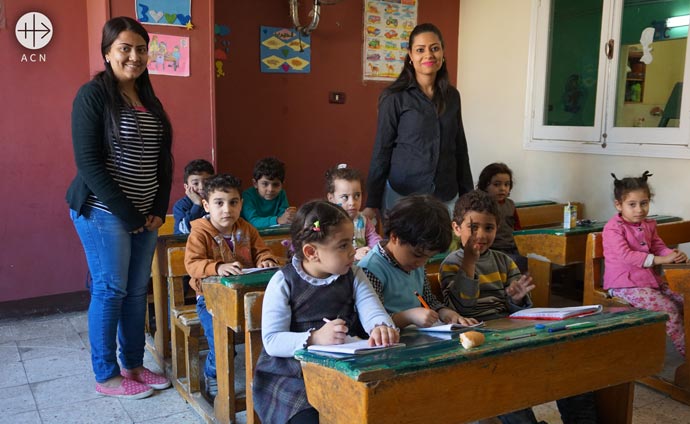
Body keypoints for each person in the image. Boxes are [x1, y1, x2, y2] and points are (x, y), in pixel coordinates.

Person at [67, 16, 173, 399]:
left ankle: (133, 364)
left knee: (135, 291)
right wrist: (129, 215)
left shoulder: (149, 98)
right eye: (125, 48)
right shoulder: (93, 96)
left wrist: (159, 208)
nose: (134, 56)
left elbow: (164, 159)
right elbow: (89, 164)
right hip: (102, 211)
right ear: (108, 53)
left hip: (145, 213)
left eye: (141, 49)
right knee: (111, 289)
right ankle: (107, 374)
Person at [442, 190, 598, 424]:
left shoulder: (504, 261)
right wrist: (470, 262)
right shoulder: (452, 263)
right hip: (479, 340)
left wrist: (515, 298)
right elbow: (464, 305)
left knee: (572, 372)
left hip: (512, 333)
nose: (481, 235)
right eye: (473, 228)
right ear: (456, 228)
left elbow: (523, 311)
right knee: (506, 387)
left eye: (489, 228)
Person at [253, 200, 399, 424]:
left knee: (382, 406)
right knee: (308, 419)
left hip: (344, 366)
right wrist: (314, 338)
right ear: (312, 252)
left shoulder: (355, 275)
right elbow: (272, 341)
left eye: (351, 242)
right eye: (342, 246)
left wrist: (380, 326)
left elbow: (372, 309)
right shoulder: (283, 281)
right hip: (292, 374)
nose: (353, 251)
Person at [363, 23, 473, 222]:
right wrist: (372, 203)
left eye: (435, 48)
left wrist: (468, 196)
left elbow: (460, 148)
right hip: (403, 196)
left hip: (446, 195)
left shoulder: (452, 96)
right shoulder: (394, 97)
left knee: (444, 252)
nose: (428, 55)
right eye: (420, 50)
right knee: (405, 252)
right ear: (411, 56)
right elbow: (382, 149)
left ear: (442, 53)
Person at [184, 174, 279, 399]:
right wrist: (216, 267)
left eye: (233, 202)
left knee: (270, 331)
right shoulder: (199, 232)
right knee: (221, 345)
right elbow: (192, 264)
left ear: (241, 204)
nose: (227, 209)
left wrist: (266, 259)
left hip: (245, 295)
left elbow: (262, 251)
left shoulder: (246, 229)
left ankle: (264, 378)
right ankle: (212, 374)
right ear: (206, 205)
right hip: (209, 300)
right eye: (219, 203)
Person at [603, 171, 688, 356]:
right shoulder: (613, 228)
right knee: (669, 309)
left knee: (685, 299)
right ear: (619, 205)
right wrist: (661, 260)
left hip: (650, 281)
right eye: (632, 205)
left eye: (644, 203)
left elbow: (658, 247)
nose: (639, 210)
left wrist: (672, 255)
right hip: (623, 284)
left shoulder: (649, 224)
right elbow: (626, 255)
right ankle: (687, 355)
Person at [359, 195, 476, 328]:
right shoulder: (370, 268)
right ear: (394, 237)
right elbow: (371, 322)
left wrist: (445, 312)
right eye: (417, 255)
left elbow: (429, 301)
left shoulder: (416, 264)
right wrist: (409, 317)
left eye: (428, 257)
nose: (421, 263)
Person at [477, 162, 527, 272]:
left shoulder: (510, 205)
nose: (502, 188)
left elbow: (517, 229)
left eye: (506, 184)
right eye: (496, 184)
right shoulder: (481, 205)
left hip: (512, 248)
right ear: (485, 185)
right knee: (518, 262)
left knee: (533, 259)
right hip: (492, 249)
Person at [325, 163, 382, 260]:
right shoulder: (326, 222)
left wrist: (379, 249)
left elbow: (374, 240)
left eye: (357, 196)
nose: (352, 203)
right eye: (345, 197)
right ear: (331, 198)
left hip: (360, 266)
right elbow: (327, 250)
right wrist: (354, 254)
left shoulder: (363, 220)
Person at [241, 157, 296, 228]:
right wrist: (278, 220)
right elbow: (253, 221)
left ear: (282, 184)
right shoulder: (247, 196)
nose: (270, 189)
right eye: (265, 184)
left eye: (275, 184)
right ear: (255, 184)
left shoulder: (281, 194)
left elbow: (284, 218)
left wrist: (289, 216)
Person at [173, 159, 214, 234]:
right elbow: (185, 230)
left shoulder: (215, 202)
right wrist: (197, 204)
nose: (201, 187)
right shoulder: (180, 206)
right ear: (186, 187)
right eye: (195, 183)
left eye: (206, 182)